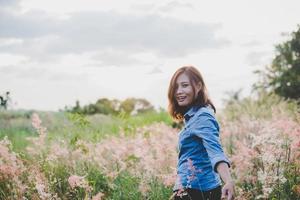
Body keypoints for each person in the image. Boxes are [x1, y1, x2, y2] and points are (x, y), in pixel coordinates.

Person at [168, 66, 235, 200]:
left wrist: (228, 181)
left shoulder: (202, 117)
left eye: (185, 85)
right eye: (175, 87)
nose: (179, 91)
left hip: (196, 191)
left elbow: (215, 151)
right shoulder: (192, 116)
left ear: (198, 86)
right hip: (192, 189)